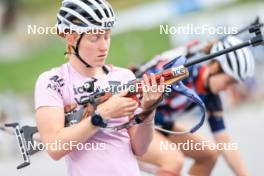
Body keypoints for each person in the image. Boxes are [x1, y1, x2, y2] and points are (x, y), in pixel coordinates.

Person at [35, 1, 164, 176]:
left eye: (107, 36)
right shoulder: (52, 81)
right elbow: (54, 148)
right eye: (94, 38)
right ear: (71, 38)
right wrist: (102, 115)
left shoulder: (124, 77)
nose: (104, 46)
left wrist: (149, 111)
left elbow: (140, 149)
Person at [136, 36, 254, 176]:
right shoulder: (185, 71)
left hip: (158, 123)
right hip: (133, 121)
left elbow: (224, 143)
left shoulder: (211, 96)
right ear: (215, 67)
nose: (227, 89)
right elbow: (142, 83)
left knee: (210, 154)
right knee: (173, 161)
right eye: (228, 82)